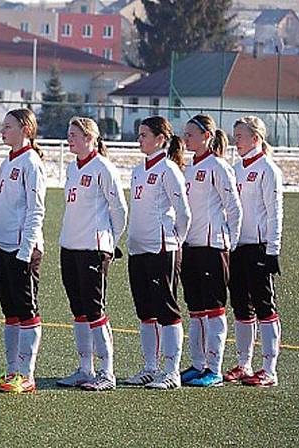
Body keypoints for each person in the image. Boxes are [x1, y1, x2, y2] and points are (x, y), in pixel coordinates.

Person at [56, 117, 127, 392]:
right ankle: (85, 369)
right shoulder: (72, 167)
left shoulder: (103, 167)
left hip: (93, 248)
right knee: (79, 310)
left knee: (95, 309)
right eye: (68, 134)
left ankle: (107, 372)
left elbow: (119, 210)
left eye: (74, 135)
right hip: (69, 246)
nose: (69, 139)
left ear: (90, 138)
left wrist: (110, 243)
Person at [124, 115, 191, 390]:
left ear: (160, 139)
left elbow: (184, 214)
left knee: (167, 310)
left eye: (144, 135)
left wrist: (176, 241)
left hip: (161, 248)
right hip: (138, 249)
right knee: (145, 312)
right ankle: (150, 368)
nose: (139, 139)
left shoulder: (169, 169)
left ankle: (171, 371)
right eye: (139, 135)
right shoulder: (138, 170)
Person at [0, 108, 46, 394]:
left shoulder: (31, 162)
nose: (2, 131)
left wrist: (25, 250)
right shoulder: (7, 162)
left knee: (26, 311)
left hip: (22, 250)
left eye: (7, 126)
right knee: (9, 312)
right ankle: (11, 371)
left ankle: (27, 375)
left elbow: (36, 211)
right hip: (2, 247)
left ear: (24, 128)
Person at [179, 114, 241, 388]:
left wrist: (230, 242)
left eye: (191, 134)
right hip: (191, 246)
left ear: (206, 136)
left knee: (214, 309)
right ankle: (198, 363)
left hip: (213, 247)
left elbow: (234, 208)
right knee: (196, 309)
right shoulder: (189, 167)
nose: (186, 138)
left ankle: (214, 369)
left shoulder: (218, 166)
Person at [225, 116, 283, 387]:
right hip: (237, 246)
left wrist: (273, 249)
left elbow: (275, 212)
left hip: (259, 248)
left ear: (255, 138)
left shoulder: (267, 169)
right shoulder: (236, 168)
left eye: (240, 136)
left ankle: (269, 370)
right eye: (234, 135)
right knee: (240, 306)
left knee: (264, 306)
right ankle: (244, 364)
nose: (235, 140)